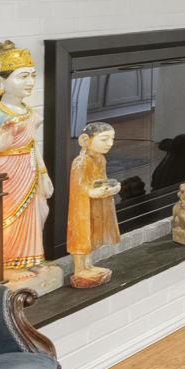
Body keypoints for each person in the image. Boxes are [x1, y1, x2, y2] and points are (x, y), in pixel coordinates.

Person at [0, 40, 50, 278]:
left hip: (30, 170)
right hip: (5, 174)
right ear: (0, 82)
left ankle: (29, 259)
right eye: (22, 76)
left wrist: (44, 175)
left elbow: (33, 145)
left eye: (32, 76)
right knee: (7, 218)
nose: (30, 82)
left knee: (38, 213)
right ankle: (5, 266)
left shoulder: (30, 112)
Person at [65, 123, 120, 288]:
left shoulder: (100, 159)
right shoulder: (80, 162)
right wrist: (93, 192)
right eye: (104, 139)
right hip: (82, 207)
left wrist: (111, 187)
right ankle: (80, 268)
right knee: (83, 234)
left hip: (96, 205)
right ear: (86, 140)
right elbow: (79, 186)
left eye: (112, 139)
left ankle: (88, 265)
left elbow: (101, 179)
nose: (110, 143)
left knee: (94, 233)